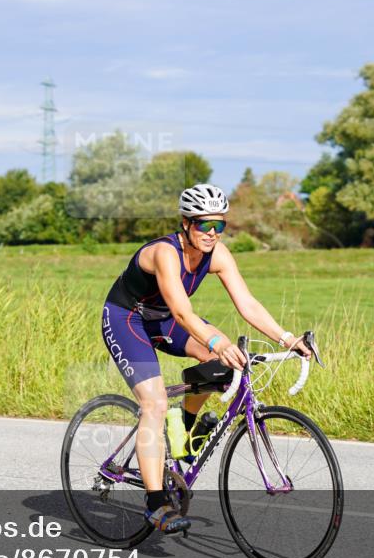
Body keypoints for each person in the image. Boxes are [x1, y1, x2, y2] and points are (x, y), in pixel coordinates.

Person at [100, 183, 311, 534]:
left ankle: (182, 432)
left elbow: (248, 304)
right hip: (127, 318)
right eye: (203, 225)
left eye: (220, 225)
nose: (212, 233)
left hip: (164, 318)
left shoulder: (219, 255)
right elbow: (184, 313)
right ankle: (155, 503)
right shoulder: (164, 253)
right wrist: (217, 340)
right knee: (153, 404)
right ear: (186, 223)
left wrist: (287, 339)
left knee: (226, 366)